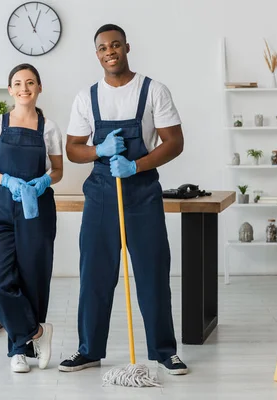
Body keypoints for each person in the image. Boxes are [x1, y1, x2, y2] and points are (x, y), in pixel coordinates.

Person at [59, 24, 188, 375]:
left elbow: (174, 142)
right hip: (101, 195)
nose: (109, 51)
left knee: (152, 274)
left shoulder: (153, 90)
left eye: (115, 45)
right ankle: (88, 350)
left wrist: (135, 165)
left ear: (127, 47)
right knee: (95, 274)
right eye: (103, 47)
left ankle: (164, 351)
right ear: (97, 53)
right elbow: (72, 149)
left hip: (143, 193)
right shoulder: (87, 97)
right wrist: (98, 150)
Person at [0, 63, 64, 373]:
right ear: (10, 90)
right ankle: (37, 332)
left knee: (33, 280)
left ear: (39, 88)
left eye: (30, 82)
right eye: (18, 83)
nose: (24, 87)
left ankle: (19, 351)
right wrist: (7, 180)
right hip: (2, 206)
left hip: (36, 209)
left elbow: (58, 170)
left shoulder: (49, 127)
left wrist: (44, 181)